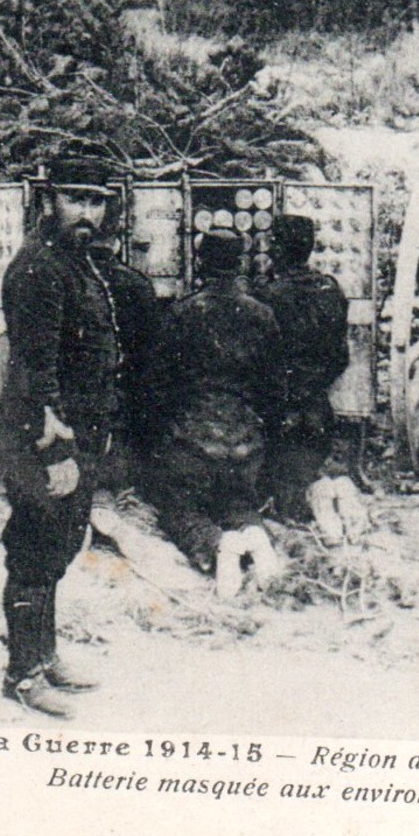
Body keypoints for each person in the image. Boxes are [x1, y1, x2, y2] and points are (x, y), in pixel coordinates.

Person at [0, 158, 158, 718]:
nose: (87, 213)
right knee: (35, 549)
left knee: (60, 545)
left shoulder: (75, 262)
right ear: (49, 201)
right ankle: (22, 675)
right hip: (42, 432)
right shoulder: (39, 268)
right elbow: (33, 367)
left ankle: (45, 657)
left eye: (97, 201)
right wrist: (56, 446)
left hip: (78, 430)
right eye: (75, 199)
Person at [141, 229, 285, 593]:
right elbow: (273, 388)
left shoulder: (183, 312)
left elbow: (157, 386)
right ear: (240, 264)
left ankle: (216, 546)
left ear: (200, 263)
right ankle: (256, 537)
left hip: (192, 442)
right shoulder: (263, 315)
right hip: (245, 444)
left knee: (181, 510)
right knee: (238, 503)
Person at [253, 214, 350, 523]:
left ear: (279, 250)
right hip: (318, 409)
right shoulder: (329, 289)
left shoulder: (268, 296)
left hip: (281, 412)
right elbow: (340, 357)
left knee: (280, 490)